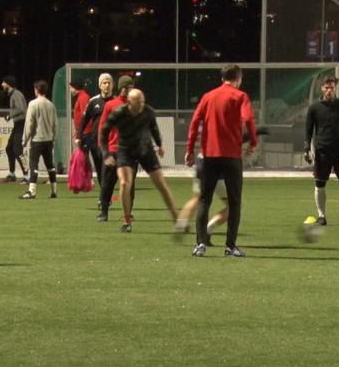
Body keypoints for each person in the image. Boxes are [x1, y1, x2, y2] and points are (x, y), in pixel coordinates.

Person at [185, 64, 257, 258]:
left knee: (204, 200)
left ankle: (200, 244)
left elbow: (194, 123)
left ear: (222, 78)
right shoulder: (240, 96)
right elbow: (248, 119)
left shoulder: (208, 96)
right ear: (238, 78)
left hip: (209, 155)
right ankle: (230, 246)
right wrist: (253, 142)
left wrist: (189, 150)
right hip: (231, 157)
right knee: (234, 202)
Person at [100, 88, 178, 233]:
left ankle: (177, 219)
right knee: (124, 183)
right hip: (125, 150)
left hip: (145, 150)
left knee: (161, 184)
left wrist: (159, 145)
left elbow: (154, 129)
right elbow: (103, 133)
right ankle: (126, 220)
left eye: (143, 101)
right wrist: (106, 154)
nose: (141, 105)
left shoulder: (148, 111)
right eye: (138, 102)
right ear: (129, 102)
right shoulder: (118, 113)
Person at [303, 76, 339, 226]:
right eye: (326, 87)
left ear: (335, 88)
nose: (329, 90)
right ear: (322, 88)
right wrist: (307, 149)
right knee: (319, 183)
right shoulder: (314, 108)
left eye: (331, 87)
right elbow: (308, 130)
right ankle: (321, 216)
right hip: (322, 151)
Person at [95, 75, 136, 222]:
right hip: (113, 149)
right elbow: (102, 127)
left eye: (131, 87)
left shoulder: (135, 105)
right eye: (126, 87)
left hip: (130, 151)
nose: (128, 90)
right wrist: (103, 150)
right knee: (107, 182)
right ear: (121, 88)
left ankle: (127, 213)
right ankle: (104, 211)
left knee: (129, 184)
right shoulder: (111, 105)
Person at [19, 80, 58, 200]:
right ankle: (54, 190)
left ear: (36, 90)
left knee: (34, 165)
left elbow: (29, 123)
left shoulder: (33, 104)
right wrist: (54, 138)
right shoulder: (51, 105)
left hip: (37, 140)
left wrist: (25, 139)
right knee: (50, 165)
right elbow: (55, 124)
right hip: (48, 140)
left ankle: (32, 191)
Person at [76, 73, 114, 186]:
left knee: (109, 168)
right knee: (100, 169)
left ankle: (107, 190)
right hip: (96, 140)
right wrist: (78, 136)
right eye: (104, 83)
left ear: (112, 85)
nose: (107, 85)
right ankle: (104, 191)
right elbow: (84, 120)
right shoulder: (93, 101)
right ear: (100, 85)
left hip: (111, 141)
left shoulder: (116, 101)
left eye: (109, 83)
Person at [0, 75, 28, 183]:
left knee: (18, 151)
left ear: (8, 84)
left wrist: (9, 115)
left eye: (3, 82)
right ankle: (12, 174)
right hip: (18, 124)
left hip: (21, 124)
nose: (2, 84)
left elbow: (20, 109)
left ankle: (27, 176)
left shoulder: (16, 94)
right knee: (9, 148)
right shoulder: (14, 94)